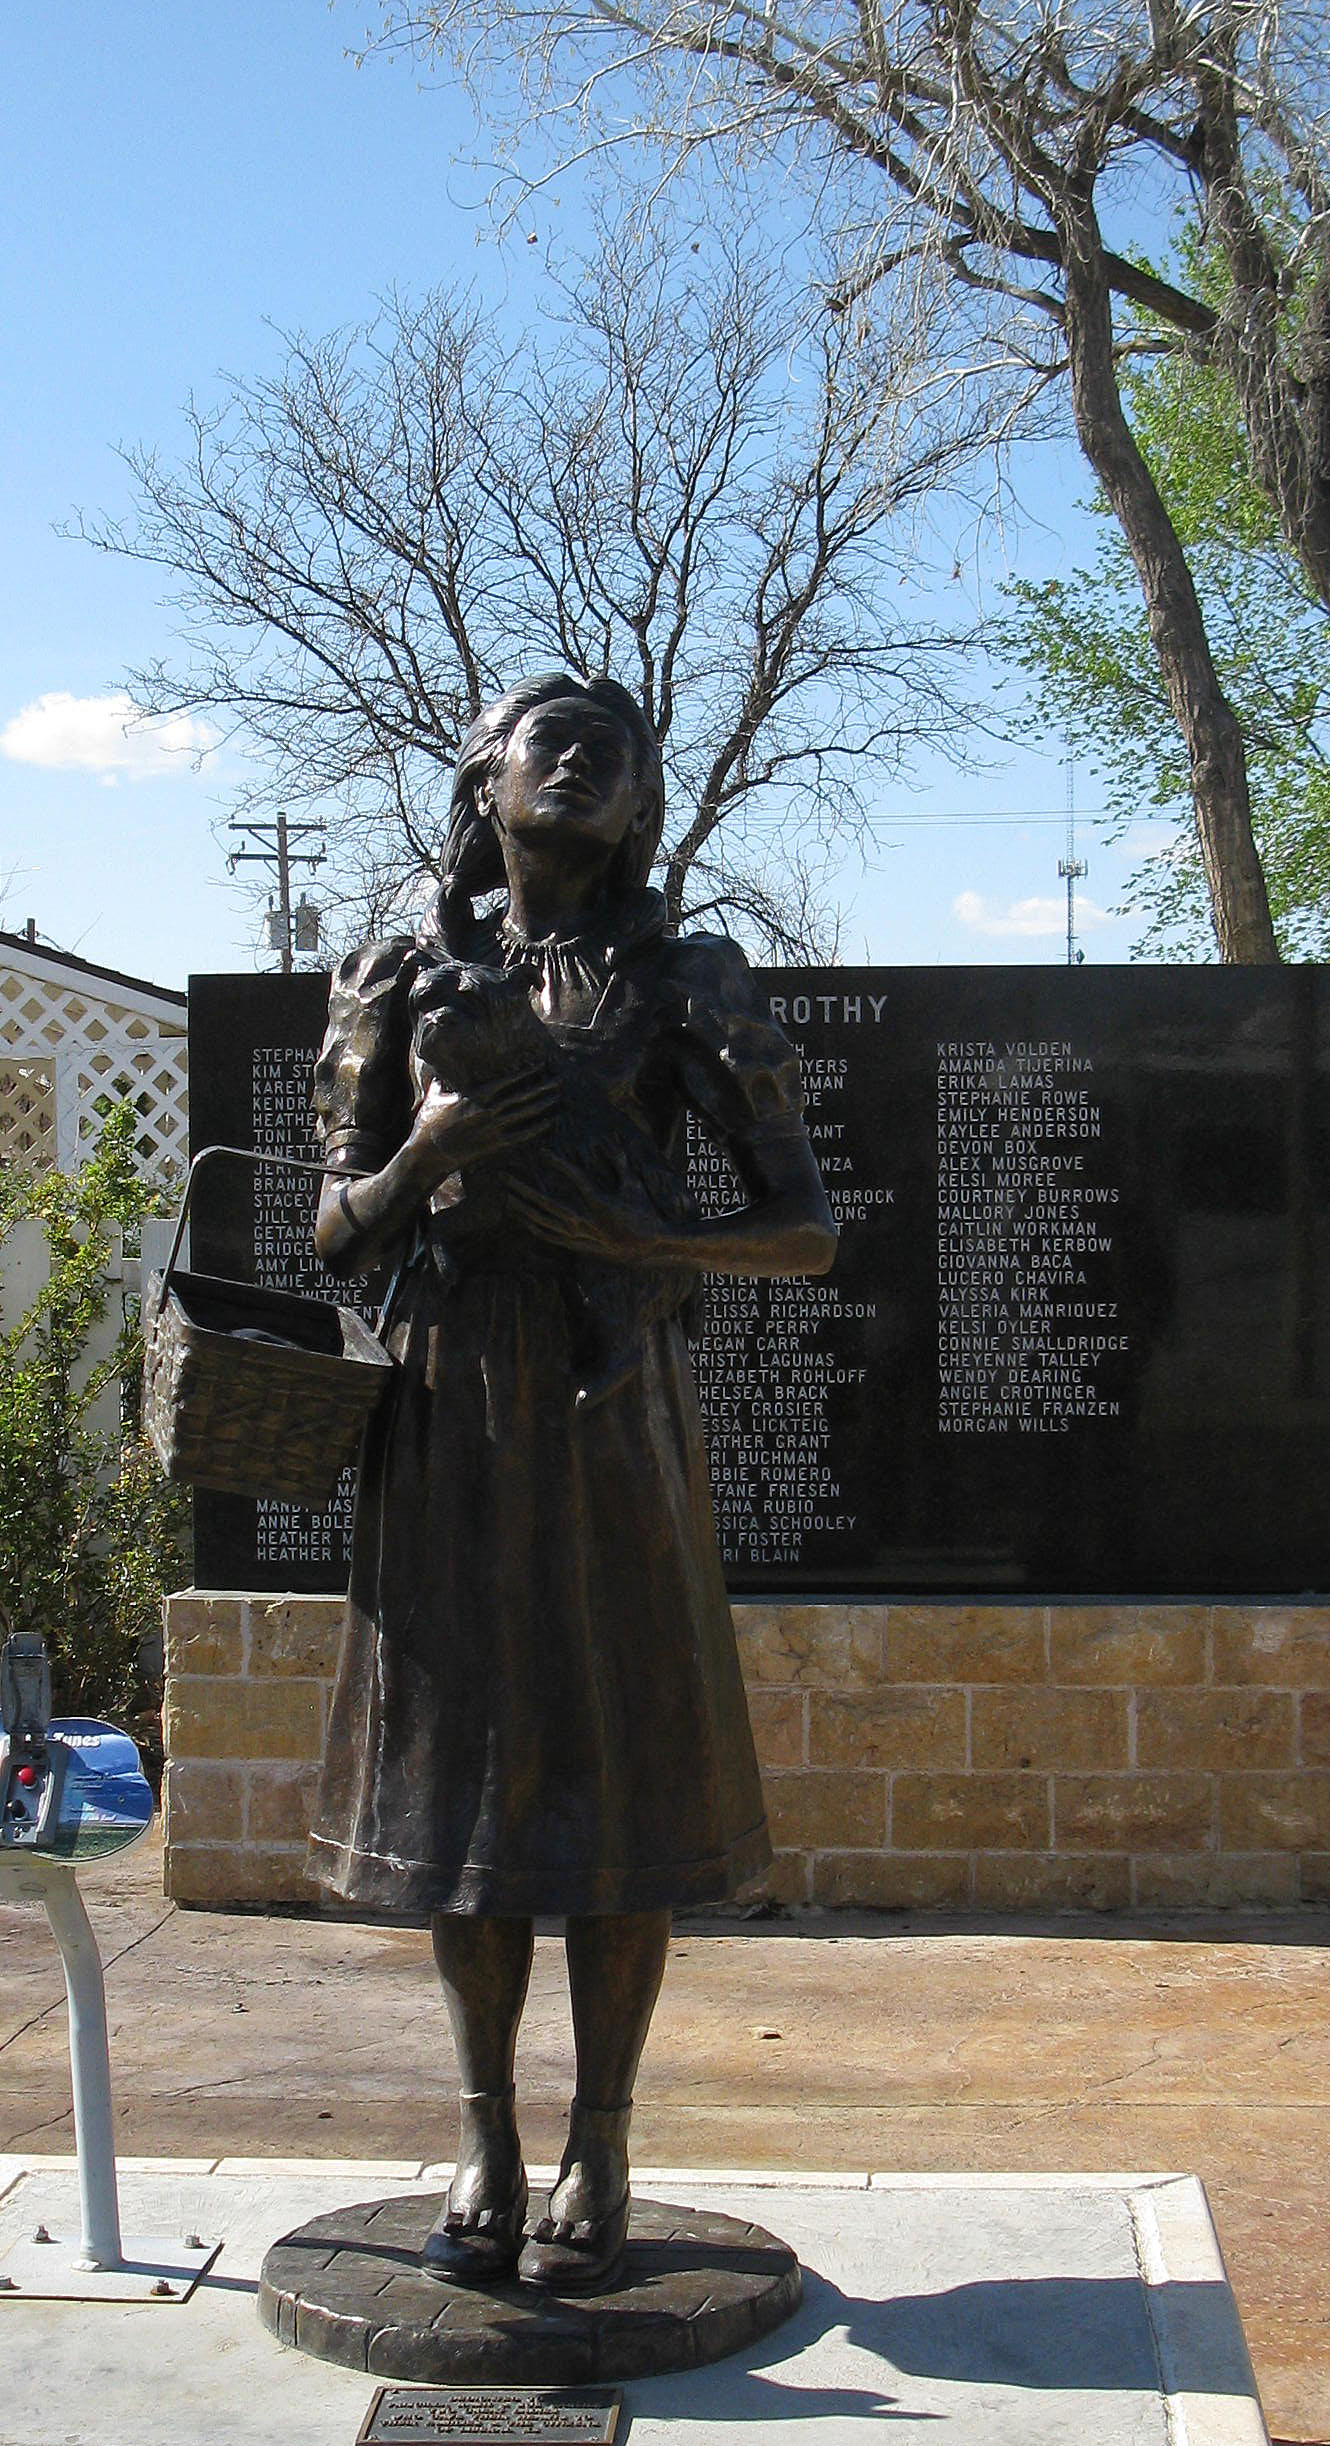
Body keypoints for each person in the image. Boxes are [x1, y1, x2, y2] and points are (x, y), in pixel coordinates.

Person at [305, 670, 837, 2293]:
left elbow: (806, 1227)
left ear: (645, 802)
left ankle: (602, 2137)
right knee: (464, 1783)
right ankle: (484, 2128)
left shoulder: (687, 979)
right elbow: (333, 1234)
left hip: (615, 1414)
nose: (588, 758)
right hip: (451, 1412)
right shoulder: (399, 974)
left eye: (618, 749)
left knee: (620, 1771)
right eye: (554, 737)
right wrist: (429, 1154)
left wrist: (653, 1240)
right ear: (487, 779)